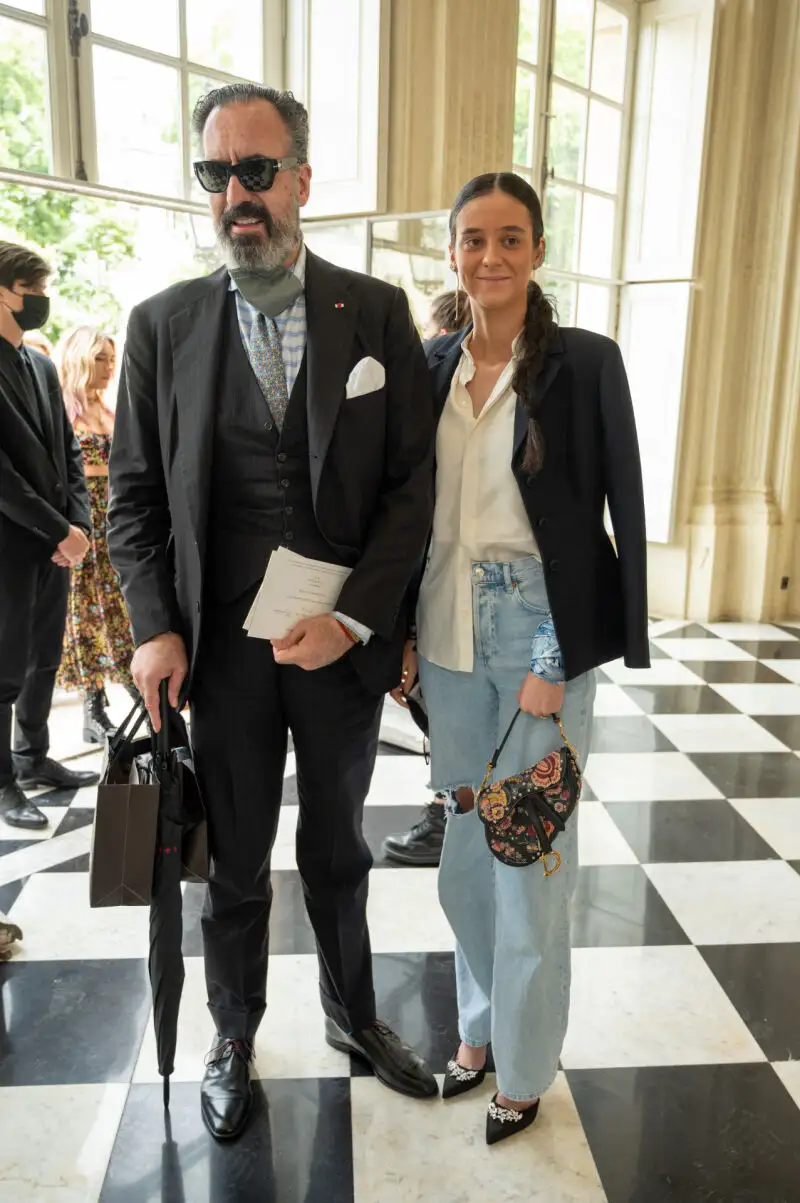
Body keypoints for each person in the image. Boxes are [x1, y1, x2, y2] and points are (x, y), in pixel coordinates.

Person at [107, 83, 438, 1141]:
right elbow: (134, 498)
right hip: (223, 658)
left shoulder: (374, 310)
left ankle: (352, 1013)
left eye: (257, 171)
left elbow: (410, 488)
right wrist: (154, 626)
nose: (237, 195)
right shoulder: (161, 325)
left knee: (338, 846)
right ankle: (233, 1031)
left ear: (301, 177)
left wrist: (354, 620)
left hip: (339, 648)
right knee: (234, 860)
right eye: (217, 175)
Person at [396, 172, 649, 1145]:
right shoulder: (430, 365)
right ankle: (475, 1032)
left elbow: (603, 515)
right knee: (465, 849)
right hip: (445, 626)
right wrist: (403, 636)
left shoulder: (582, 363)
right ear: (451, 253)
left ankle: (526, 1064)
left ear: (535, 251)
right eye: (472, 240)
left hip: (534, 625)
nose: (489, 257)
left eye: (509, 239)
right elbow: (408, 516)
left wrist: (562, 649)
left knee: (530, 850)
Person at [0, 242, 100, 832]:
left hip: (55, 543)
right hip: (10, 544)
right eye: (31, 290)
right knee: (4, 668)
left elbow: (67, 452)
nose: (41, 300)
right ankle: (4, 783)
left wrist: (80, 526)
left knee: (43, 659)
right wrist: (57, 527)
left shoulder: (38, 364)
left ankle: (33, 757)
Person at [382, 287, 470, 868]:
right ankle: (450, 817)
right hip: (432, 572)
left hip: (456, 576)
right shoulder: (439, 370)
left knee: (448, 714)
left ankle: (449, 820)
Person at [56, 327, 136, 743]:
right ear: (81, 358)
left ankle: (132, 688)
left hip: (115, 522)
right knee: (83, 614)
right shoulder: (62, 409)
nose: (109, 366)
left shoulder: (110, 409)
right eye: (101, 357)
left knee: (119, 609)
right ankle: (94, 704)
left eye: (111, 357)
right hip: (83, 520)